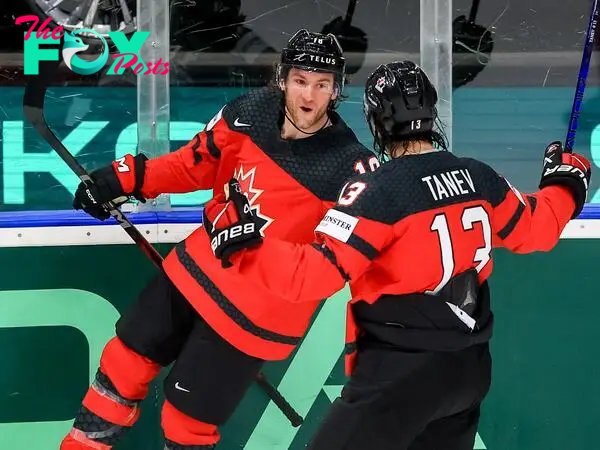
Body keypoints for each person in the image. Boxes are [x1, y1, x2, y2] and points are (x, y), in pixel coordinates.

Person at [203, 60, 591, 450]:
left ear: (376, 120)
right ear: (430, 110)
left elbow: (311, 276)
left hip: (399, 375)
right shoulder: (478, 177)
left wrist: (242, 245)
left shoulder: (377, 191)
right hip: (467, 371)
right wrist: (565, 183)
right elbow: (538, 228)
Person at [60, 29, 378, 450]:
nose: (309, 95)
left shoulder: (352, 168)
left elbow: (331, 267)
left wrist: (255, 249)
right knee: (122, 364)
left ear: (336, 90)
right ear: (283, 79)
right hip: (194, 271)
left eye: (322, 85)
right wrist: (128, 178)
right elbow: (194, 165)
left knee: (185, 424)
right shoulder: (249, 113)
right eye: (301, 80)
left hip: (253, 314)